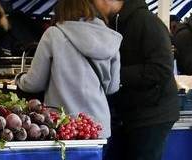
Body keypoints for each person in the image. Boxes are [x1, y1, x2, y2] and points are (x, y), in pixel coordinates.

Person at [102, 0, 178, 160]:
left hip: (154, 114)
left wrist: (117, 74)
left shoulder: (147, 23)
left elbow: (161, 68)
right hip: (134, 114)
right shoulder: (118, 22)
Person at [16, 0, 122, 139]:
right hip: (98, 127)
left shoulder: (53, 34)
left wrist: (19, 79)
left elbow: (34, 83)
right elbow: (112, 88)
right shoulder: (110, 38)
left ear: (61, 10)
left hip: (63, 125)